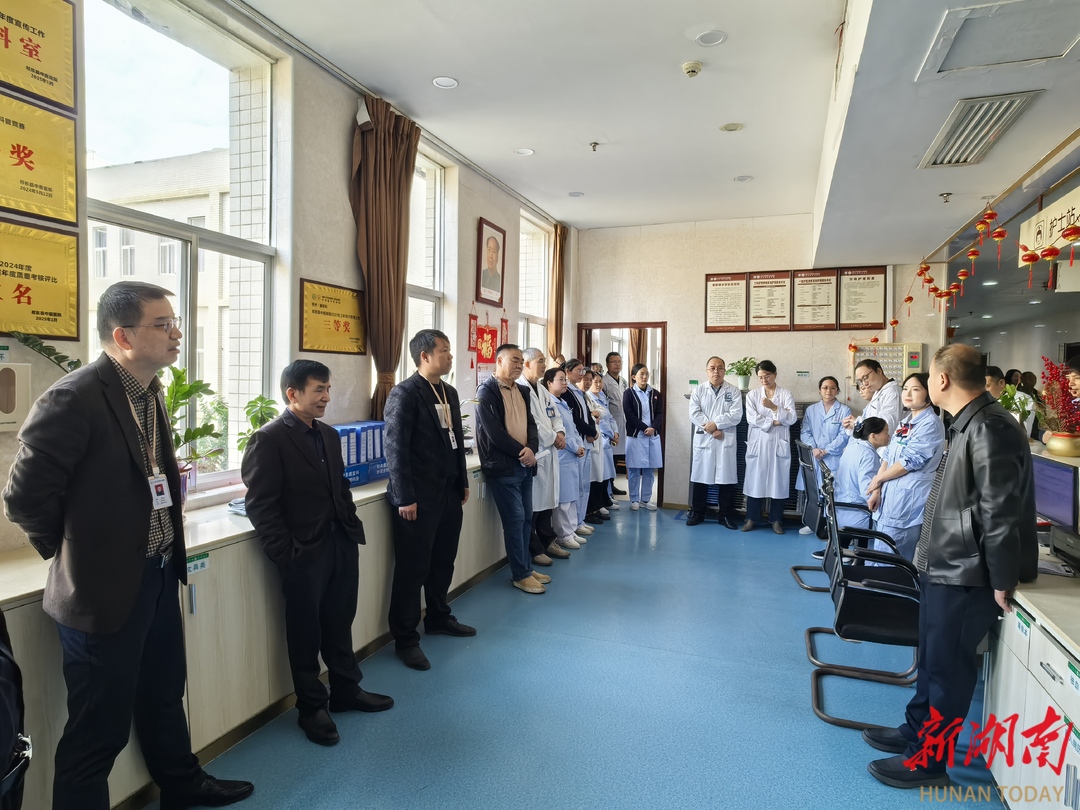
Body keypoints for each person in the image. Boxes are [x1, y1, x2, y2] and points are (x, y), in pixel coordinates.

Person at [2, 281, 254, 810]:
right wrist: (72, 552)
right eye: (163, 325)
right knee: (98, 731)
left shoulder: (149, 390)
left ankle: (182, 786)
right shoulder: (74, 397)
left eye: (175, 323)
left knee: (164, 695)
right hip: (102, 591)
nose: (176, 334)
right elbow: (23, 498)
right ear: (123, 336)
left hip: (157, 576)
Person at [863, 344, 1038, 789]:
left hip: (967, 571)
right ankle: (915, 732)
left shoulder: (991, 427)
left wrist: (1003, 577)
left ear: (941, 380)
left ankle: (930, 762)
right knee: (931, 658)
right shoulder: (967, 422)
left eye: (927, 377)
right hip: (943, 563)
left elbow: (999, 511)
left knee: (948, 670)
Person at [243, 360, 394, 745]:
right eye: (318, 390)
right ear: (292, 394)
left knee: (340, 620)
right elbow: (260, 506)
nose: (327, 397)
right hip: (302, 554)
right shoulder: (269, 439)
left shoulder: (327, 433)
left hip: (340, 542)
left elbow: (339, 485)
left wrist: (348, 522)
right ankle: (311, 707)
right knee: (305, 632)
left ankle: (346, 690)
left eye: (328, 389)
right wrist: (287, 554)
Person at [383, 330, 475, 672]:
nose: (450, 356)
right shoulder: (404, 393)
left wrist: (462, 481)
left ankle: (438, 616)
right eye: (444, 351)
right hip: (417, 499)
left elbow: (456, 440)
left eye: (449, 350)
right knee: (413, 569)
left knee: (443, 561)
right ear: (424, 356)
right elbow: (395, 449)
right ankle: (406, 639)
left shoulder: (448, 392)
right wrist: (405, 497)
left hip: (448, 492)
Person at [475, 344, 548, 594]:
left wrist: (532, 448)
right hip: (504, 467)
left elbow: (531, 425)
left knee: (527, 518)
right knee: (515, 520)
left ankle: (525, 566)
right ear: (499, 361)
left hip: (525, 465)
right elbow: (494, 433)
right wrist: (522, 452)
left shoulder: (522, 390)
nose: (518, 365)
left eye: (520, 361)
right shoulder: (486, 392)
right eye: (514, 360)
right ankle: (520, 574)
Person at [865, 373, 946, 561]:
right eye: (905, 389)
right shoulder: (907, 421)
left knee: (893, 561)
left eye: (915, 389)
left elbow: (910, 462)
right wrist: (877, 489)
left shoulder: (930, 424)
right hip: (889, 500)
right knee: (881, 556)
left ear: (928, 394)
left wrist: (878, 479)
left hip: (906, 502)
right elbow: (888, 455)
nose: (908, 394)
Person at [519, 348, 571, 563]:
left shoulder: (541, 389)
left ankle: (548, 541)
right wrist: (553, 437)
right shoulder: (521, 388)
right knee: (534, 506)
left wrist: (560, 432)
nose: (544, 364)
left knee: (548, 501)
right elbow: (533, 423)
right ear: (527, 363)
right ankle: (535, 549)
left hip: (550, 450)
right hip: (537, 452)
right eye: (540, 361)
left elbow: (555, 415)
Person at [687, 356, 743, 530]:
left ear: (725, 370)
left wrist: (716, 424)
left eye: (720, 368)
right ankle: (697, 513)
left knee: (726, 479)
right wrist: (711, 429)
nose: (716, 371)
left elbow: (736, 415)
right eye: (712, 368)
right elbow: (694, 413)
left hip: (725, 439)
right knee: (700, 477)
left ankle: (725, 515)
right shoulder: (698, 390)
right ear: (707, 371)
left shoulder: (733, 391)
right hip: (706, 438)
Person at [741, 360, 796, 534]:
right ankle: (751, 518)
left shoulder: (785, 394)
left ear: (775, 374)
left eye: (767, 376)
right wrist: (775, 421)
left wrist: (774, 407)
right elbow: (752, 419)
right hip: (758, 443)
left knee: (778, 483)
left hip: (779, 444)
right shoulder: (753, 395)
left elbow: (792, 418)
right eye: (760, 377)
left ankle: (776, 520)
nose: (764, 380)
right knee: (754, 481)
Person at [796, 376, 851, 534]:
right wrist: (813, 449)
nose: (829, 391)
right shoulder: (811, 410)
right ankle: (813, 523)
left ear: (837, 391)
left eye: (833, 388)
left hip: (833, 457)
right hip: (814, 456)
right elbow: (805, 431)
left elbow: (844, 435)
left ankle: (830, 526)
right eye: (825, 387)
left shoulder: (844, 410)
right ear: (820, 390)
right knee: (813, 492)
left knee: (831, 493)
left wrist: (826, 451)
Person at [545, 367, 587, 551]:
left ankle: (571, 530)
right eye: (560, 379)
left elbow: (573, 429)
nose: (565, 383)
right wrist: (575, 447)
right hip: (562, 455)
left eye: (565, 380)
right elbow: (559, 432)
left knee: (572, 496)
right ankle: (563, 535)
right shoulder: (549, 403)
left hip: (572, 456)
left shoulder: (562, 402)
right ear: (549, 383)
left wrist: (579, 445)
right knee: (563, 499)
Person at [560, 359, 599, 536]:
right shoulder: (566, 393)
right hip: (575, 445)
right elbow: (575, 419)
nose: (582, 374)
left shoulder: (580, 392)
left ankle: (580, 520)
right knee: (575, 487)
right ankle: (574, 524)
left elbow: (587, 414)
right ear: (568, 372)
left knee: (584, 485)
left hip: (585, 442)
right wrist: (591, 430)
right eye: (578, 370)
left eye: (583, 370)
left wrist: (592, 431)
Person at [832, 417, 890, 532]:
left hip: (840, 510)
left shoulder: (853, 447)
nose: (889, 436)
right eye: (886, 432)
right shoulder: (868, 455)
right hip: (858, 515)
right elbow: (868, 493)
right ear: (873, 436)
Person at [622, 363, 664, 511]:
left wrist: (653, 428)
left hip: (652, 436)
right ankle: (634, 499)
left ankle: (645, 500)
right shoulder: (628, 394)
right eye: (642, 374)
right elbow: (629, 415)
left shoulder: (656, 393)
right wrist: (644, 428)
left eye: (646, 374)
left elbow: (659, 413)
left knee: (649, 469)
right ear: (634, 377)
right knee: (634, 469)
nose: (645, 377)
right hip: (636, 436)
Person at [843, 358, 903, 441]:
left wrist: (858, 424)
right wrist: (852, 426)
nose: (865, 383)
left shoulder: (893, 393)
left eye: (865, 377)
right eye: (861, 380)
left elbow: (886, 427)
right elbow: (868, 419)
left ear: (879, 371)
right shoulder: (878, 392)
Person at [588, 371, 619, 512]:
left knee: (607, 473)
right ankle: (599, 502)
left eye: (600, 381)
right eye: (595, 382)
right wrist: (612, 434)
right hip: (600, 439)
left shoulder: (602, 396)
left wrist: (616, 432)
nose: (599, 384)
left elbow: (610, 417)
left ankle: (606, 498)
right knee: (600, 474)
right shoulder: (589, 398)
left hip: (607, 440)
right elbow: (601, 423)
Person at [602, 352, 628, 495]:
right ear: (607, 365)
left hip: (622, 423)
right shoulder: (603, 382)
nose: (617, 364)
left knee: (617, 456)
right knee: (609, 457)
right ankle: (608, 487)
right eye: (614, 362)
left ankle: (612, 485)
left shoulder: (623, 381)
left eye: (619, 361)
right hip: (610, 423)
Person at [985, 365, 1036, 438]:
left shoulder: (1023, 399)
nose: (982, 391)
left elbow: (1026, 432)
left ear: (1001, 383)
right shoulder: (979, 403)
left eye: (987, 386)